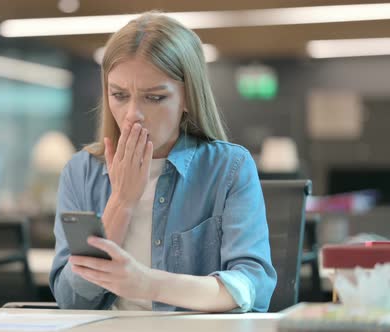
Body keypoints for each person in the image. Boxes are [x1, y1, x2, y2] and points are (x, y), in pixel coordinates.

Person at [49, 12, 276, 312]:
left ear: (187, 99)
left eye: (154, 97)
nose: (132, 115)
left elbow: (252, 288)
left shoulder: (229, 168)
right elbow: (70, 300)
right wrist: (121, 201)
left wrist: (149, 283)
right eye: (119, 95)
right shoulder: (81, 172)